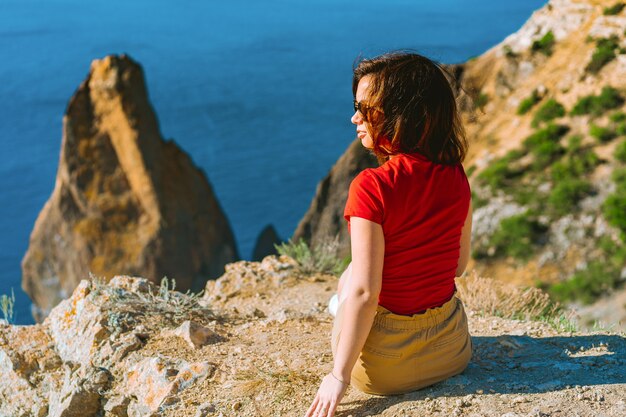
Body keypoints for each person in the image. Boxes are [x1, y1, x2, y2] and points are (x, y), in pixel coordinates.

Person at [304, 51, 473, 417]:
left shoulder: (372, 187)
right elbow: (458, 266)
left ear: (404, 115)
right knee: (357, 274)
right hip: (452, 351)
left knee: (352, 279)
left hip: (384, 371)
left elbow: (366, 294)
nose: (355, 117)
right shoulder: (456, 175)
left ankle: (337, 313)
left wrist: (338, 375)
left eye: (367, 109)